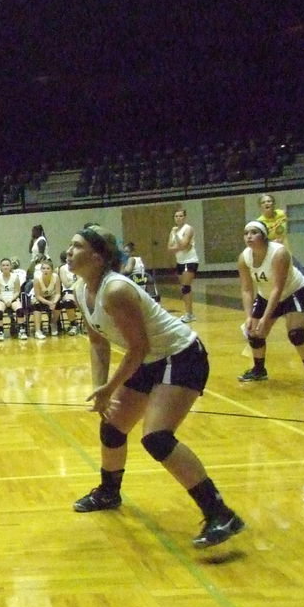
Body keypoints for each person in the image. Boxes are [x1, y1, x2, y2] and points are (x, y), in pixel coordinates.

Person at [66, 227, 245, 549]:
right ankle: (109, 492)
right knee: (112, 428)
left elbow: (137, 347)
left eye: (76, 246)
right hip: (149, 359)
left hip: (181, 356)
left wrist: (111, 387)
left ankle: (221, 513)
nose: (69, 251)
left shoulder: (116, 290)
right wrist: (100, 387)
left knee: (157, 438)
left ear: (97, 256)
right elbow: (97, 340)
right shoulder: (80, 287)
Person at [236, 220, 304, 391]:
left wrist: (265, 318)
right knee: (253, 333)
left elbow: (278, 288)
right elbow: (246, 289)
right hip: (265, 295)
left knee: (296, 333)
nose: (249, 236)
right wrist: (249, 317)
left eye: (254, 232)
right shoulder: (244, 257)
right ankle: (259, 370)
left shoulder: (279, 253)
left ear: (264, 235)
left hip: (293, 292)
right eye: (246, 233)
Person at [168, 208, 198, 322]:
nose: (178, 218)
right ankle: (188, 313)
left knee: (186, 287)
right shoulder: (173, 230)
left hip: (190, 260)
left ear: (184, 217)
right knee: (183, 288)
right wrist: (179, 247)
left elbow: (184, 245)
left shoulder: (188, 229)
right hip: (179, 261)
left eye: (180, 216)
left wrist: (176, 235)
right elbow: (169, 248)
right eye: (176, 216)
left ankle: (189, 314)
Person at [31, 258, 62, 338]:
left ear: (52, 270)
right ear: (41, 270)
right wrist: (49, 303)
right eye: (43, 268)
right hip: (39, 297)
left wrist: (54, 302)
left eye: (48, 268)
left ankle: (53, 323)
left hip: (51, 296)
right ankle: (38, 331)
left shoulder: (56, 277)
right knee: (36, 305)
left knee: (59, 303)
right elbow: (38, 296)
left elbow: (58, 293)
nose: (45, 270)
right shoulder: (37, 279)